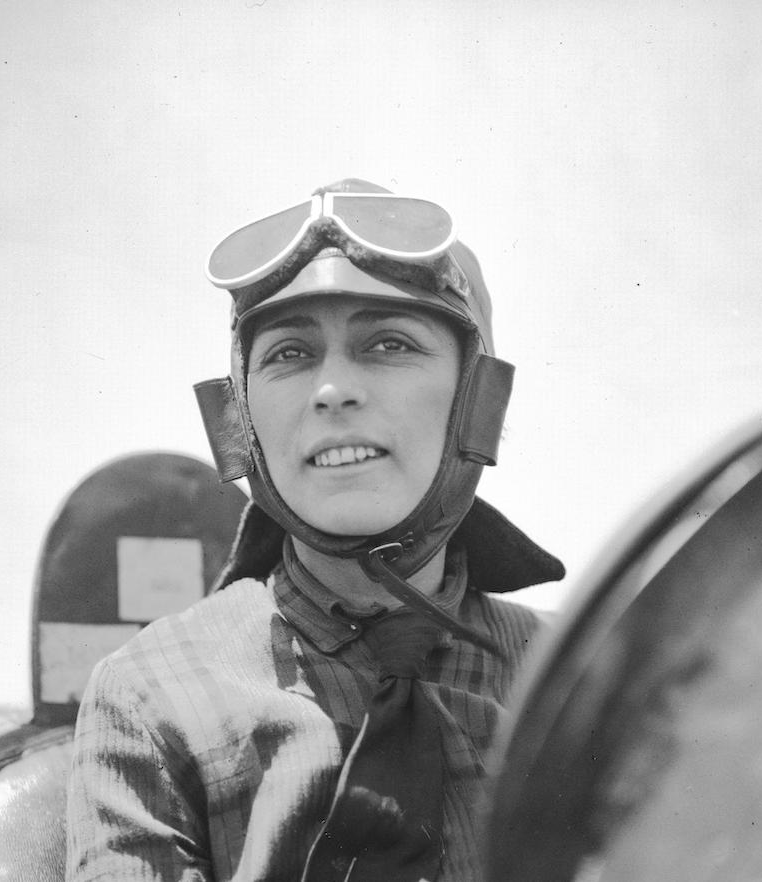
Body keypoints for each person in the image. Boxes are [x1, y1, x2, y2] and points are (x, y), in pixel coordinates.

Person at [65, 178, 564, 881]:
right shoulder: (149, 697)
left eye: (389, 344)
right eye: (289, 354)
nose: (333, 390)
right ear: (239, 422)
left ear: (478, 403)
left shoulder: (573, 680)